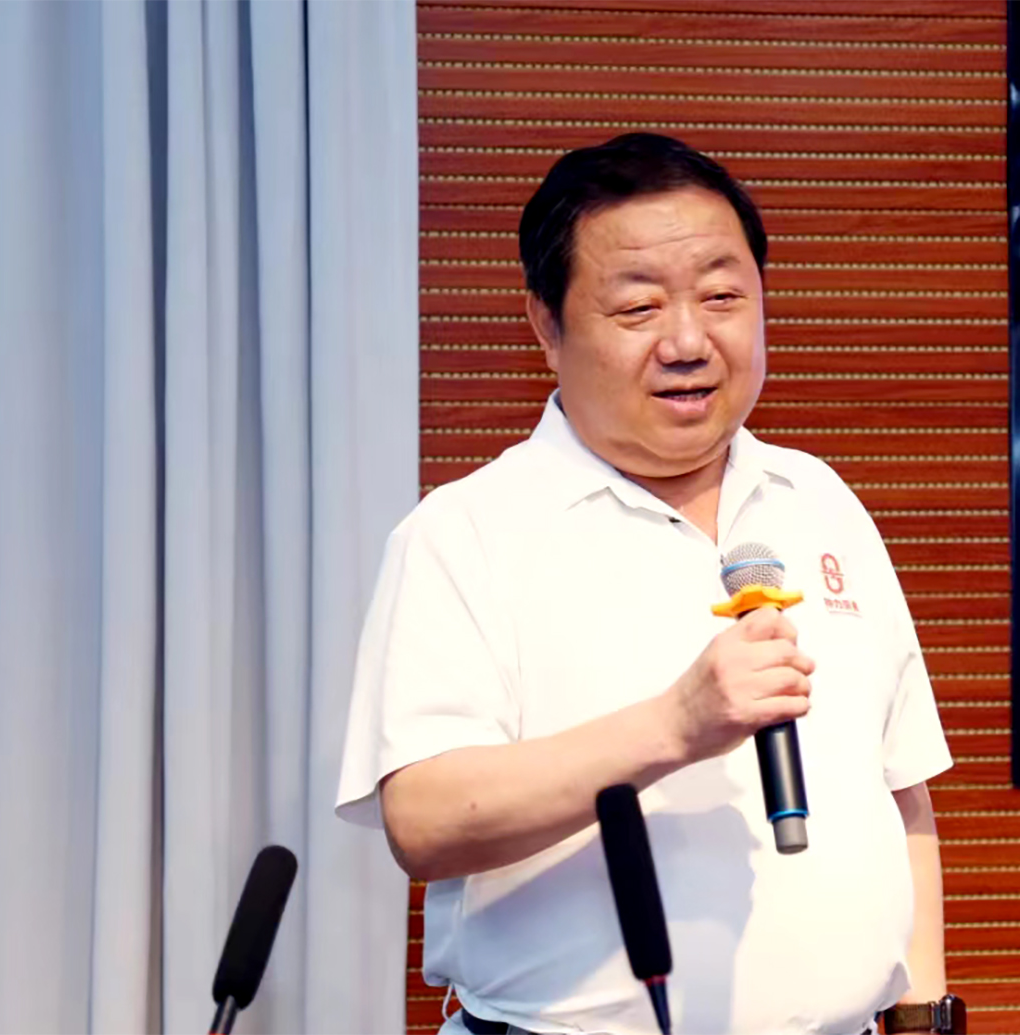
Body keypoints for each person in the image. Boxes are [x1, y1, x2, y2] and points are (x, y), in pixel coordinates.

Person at [336, 133, 963, 1035]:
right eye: (638, 307)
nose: (688, 341)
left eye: (722, 297)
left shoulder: (819, 498)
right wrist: (674, 726)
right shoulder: (466, 530)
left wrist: (921, 1018)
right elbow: (424, 820)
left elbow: (902, 789)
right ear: (546, 325)